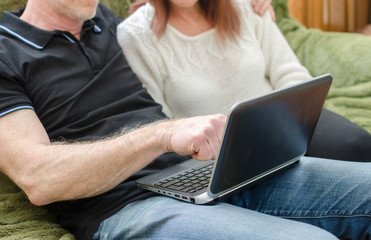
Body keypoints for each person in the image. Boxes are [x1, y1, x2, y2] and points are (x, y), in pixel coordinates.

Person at [0, 0, 370, 240]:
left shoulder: (109, 25)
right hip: (126, 209)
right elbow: (39, 177)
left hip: (207, 174)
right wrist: (162, 134)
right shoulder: (7, 51)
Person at [117, 0, 371, 162]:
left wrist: (295, 116)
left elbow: (290, 73)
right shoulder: (136, 35)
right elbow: (159, 124)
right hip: (224, 155)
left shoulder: (246, 6)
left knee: (357, 145)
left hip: (288, 123)